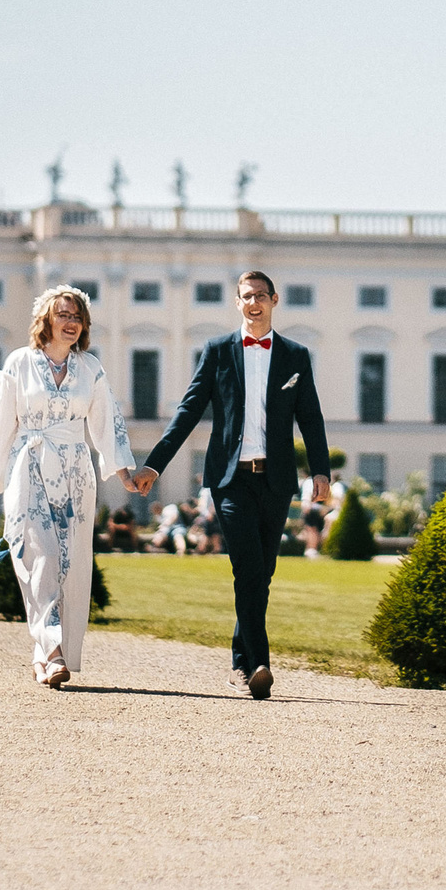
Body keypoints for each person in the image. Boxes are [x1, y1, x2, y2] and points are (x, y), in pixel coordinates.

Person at [130, 270, 331, 701]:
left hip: (276, 480)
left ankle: (240, 666)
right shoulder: (218, 351)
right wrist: (155, 465)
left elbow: (310, 416)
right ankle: (260, 663)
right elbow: (189, 411)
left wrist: (320, 471)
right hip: (230, 480)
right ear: (237, 303)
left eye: (261, 295)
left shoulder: (296, 355)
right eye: (246, 296)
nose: (254, 302)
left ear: (274, 300)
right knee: (248, 568)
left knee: (263, 574)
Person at [0, 285, 137, 689]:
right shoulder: (19, 364)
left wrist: (124, 472)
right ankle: (55, 649)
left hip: (77, 475)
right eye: (63, 314)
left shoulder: (91, 369)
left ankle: (43, 656)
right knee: (38, 558)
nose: (71, 323)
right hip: (28, 468)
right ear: (45, 320)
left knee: (70, 567)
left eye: (77, 317)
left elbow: (105, 424)